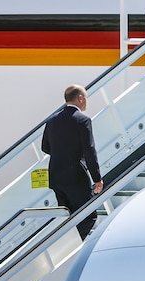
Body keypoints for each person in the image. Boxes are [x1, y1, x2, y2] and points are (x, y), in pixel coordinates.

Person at [41, 84, 104, 240]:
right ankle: (76, 244)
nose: (86, 101)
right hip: (76, 177)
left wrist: (62, 155)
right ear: (80, 98)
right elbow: (89, 151)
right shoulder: (83, 120)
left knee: (66, 218)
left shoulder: (52, 120)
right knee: (88, 216)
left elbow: (45, 147)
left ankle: (69, 247)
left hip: (56, 177)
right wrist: (97, 179)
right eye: (86, 98)